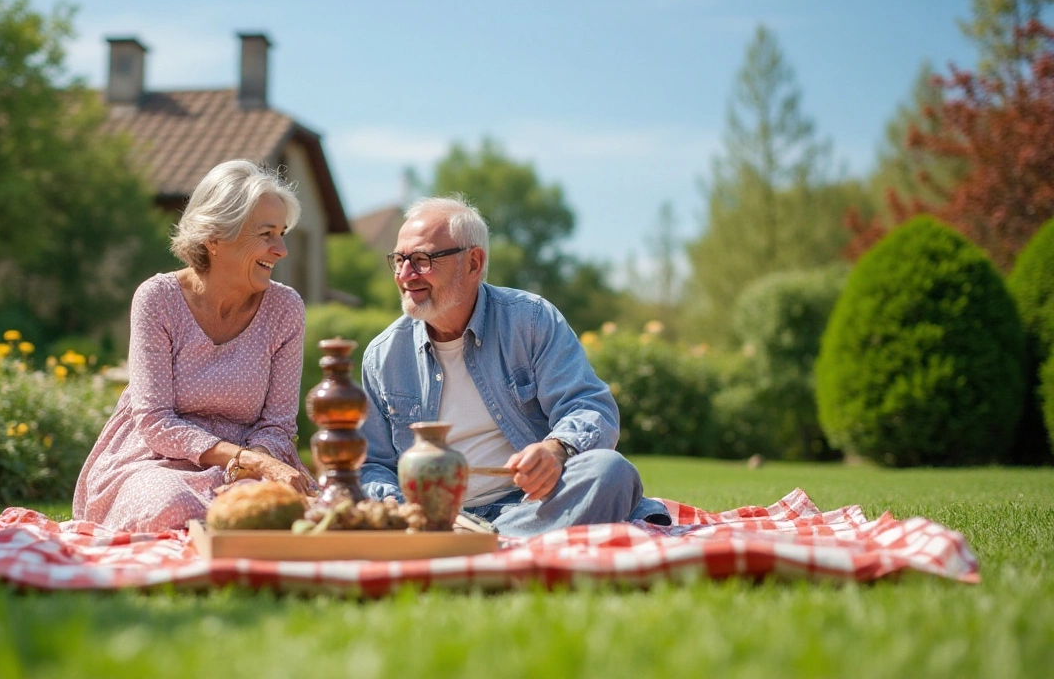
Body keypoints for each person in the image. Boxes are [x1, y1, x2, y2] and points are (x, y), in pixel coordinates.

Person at [359, 197, 667, 537]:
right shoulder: (382, 356)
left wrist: (556, 449)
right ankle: (493, 540)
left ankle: (484, 540)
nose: (404, 275)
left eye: (421, 260)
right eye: (399, 260)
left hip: (532, 504)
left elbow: (591, 407)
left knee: (611, 472)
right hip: (437, 519)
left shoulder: (532, 320)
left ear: (473, 262)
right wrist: (396, 507)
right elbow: (374, 464)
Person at [73, 159, 314, 532]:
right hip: (155, 460)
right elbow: (154, 420)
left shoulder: (285, 309)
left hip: (249, 462)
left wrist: (257, 462)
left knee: (281, 514)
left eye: (282, 233)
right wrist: (245, 459)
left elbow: (277, 424)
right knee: (173, 508)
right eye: (267, 234)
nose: (281, 249)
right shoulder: (158, 298)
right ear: (215, 236)